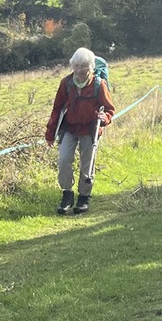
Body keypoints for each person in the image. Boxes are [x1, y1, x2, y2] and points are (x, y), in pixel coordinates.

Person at [45, 47, 115, 215]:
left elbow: (110, 110)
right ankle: (67, 194)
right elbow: (57, 108)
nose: (80, 70)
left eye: (84, 66)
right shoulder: (66, 83)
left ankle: (84, 197)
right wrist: (50, 133)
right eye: (76, 65)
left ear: (91, 66)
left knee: (87, 163)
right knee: (64, 160)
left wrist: (104, 118)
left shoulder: (99, 84)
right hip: (69, 128)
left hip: (90, 129)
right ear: (72, 66)